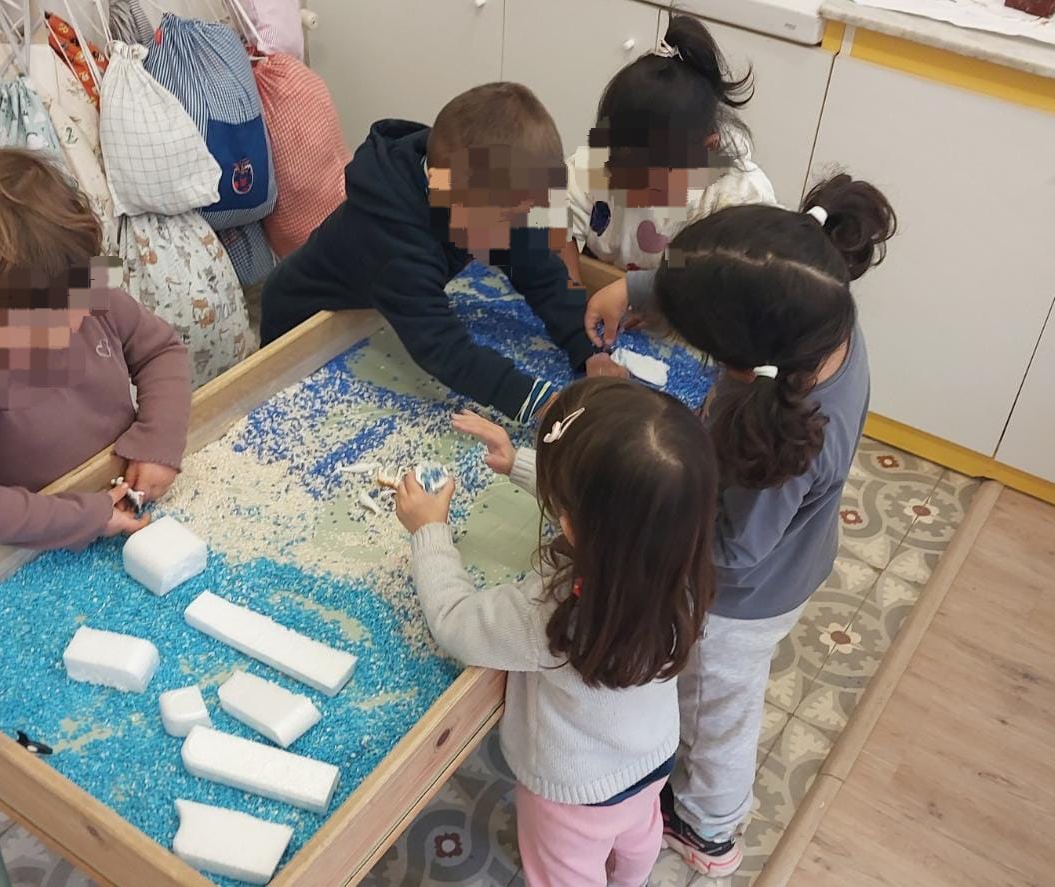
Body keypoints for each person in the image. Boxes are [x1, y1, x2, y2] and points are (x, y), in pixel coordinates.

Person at [586, 173, 897, 876]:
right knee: (710, 704)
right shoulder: (819, 314)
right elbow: (731, 284)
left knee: (715, 713)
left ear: (743, 354)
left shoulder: (785, 438)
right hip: (785, 559)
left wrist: (642, 460)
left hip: (738, 604)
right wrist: (635, 290)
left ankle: (708, 829)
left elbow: (730, 551)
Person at [396, 377, 719, 886]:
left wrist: (429, 531)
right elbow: (621, 511)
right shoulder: (684, 570)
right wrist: (518, 463)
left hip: (573, 796)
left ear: (570, 522)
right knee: (638, 839)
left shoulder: (552, 612)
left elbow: (455, 621)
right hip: (652, 758)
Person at [261, 82, 621, 426]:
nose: (513, 232)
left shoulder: (477, 196)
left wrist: (586, 347)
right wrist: (543, 403)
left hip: (370, 308)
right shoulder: (395, 244)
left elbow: (535, 265)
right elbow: (444, 349)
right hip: (302, 320)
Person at [0, 148, 192, 550]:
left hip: (118, 486)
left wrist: (158, 441)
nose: (61, 325)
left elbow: (160, 352)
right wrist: (86, 516)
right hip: (29, 539)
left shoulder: (89, 291)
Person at [560, 13, 776, 284]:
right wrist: (569, 287)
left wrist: (636, 291)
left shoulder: (735, 199)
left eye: (650, 183)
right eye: (618, 169)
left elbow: (743, 281)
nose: (631, 189)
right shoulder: (596, 167)